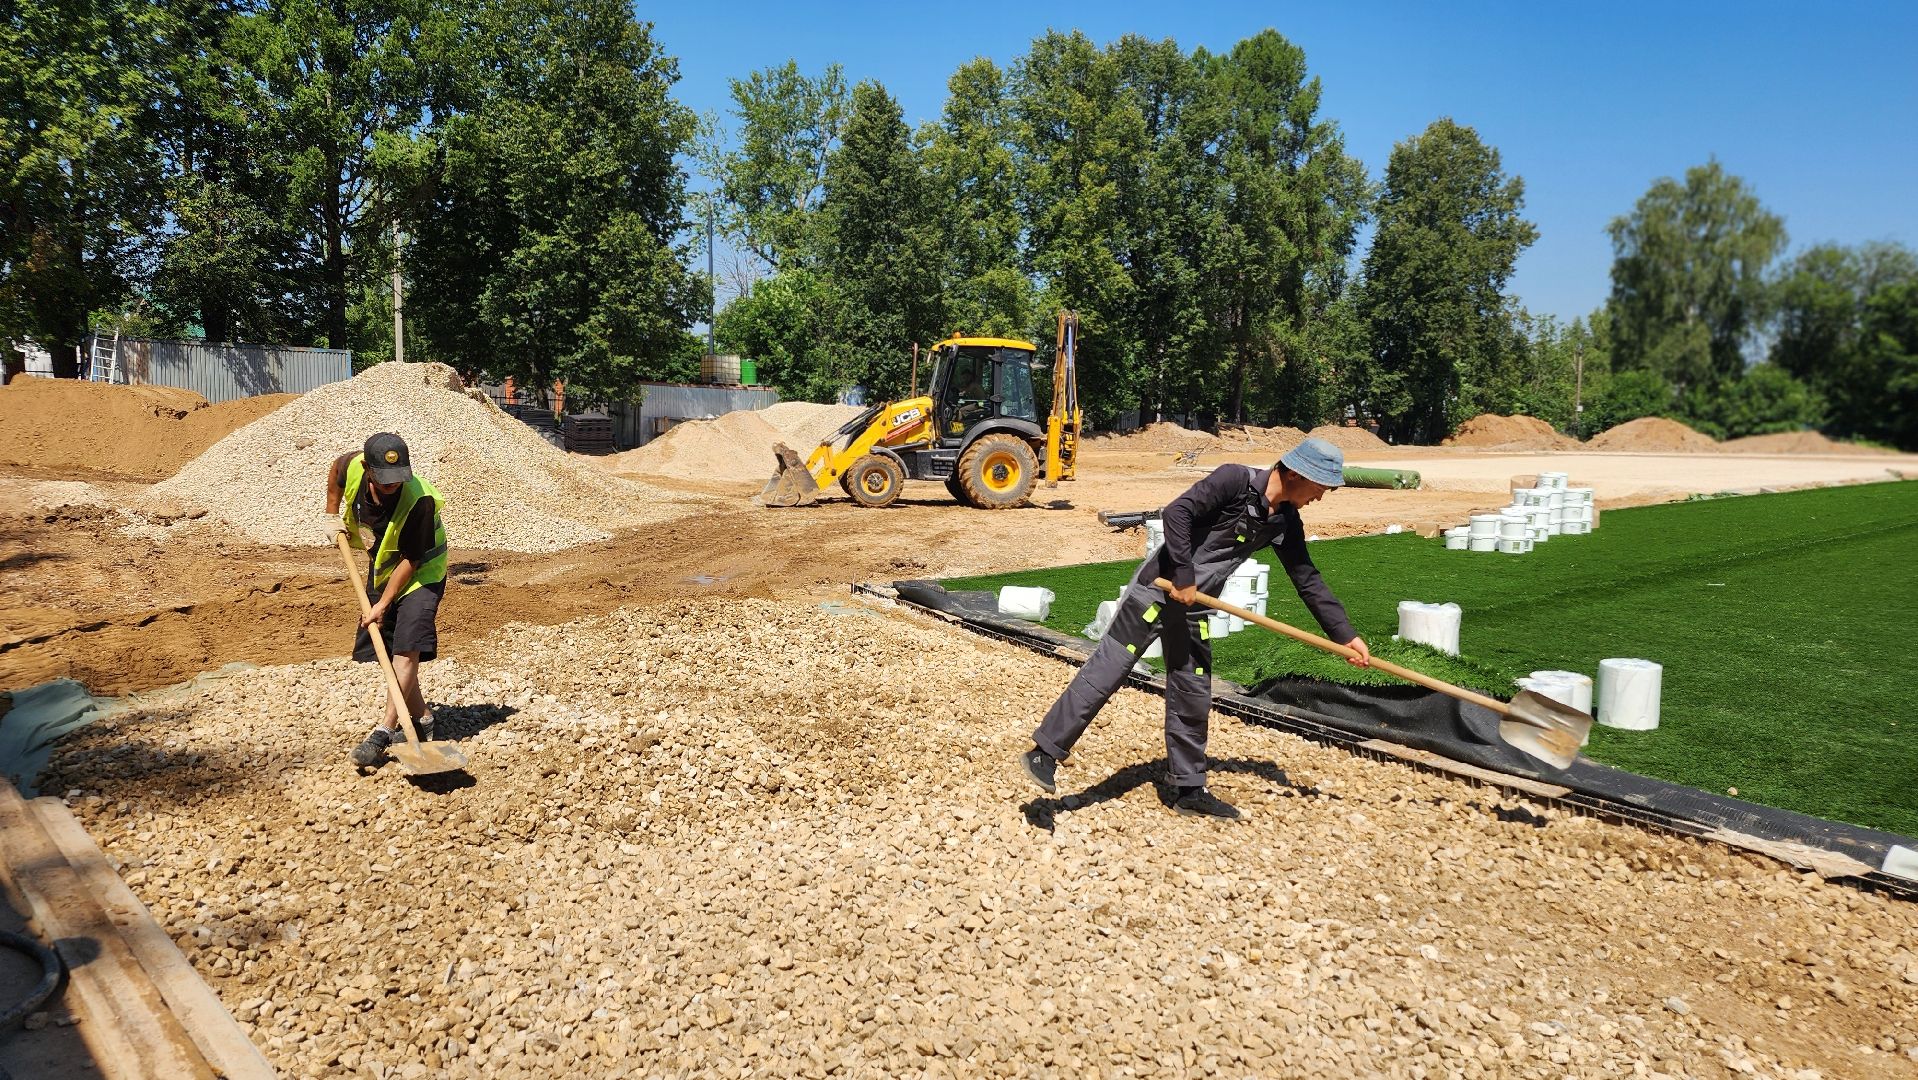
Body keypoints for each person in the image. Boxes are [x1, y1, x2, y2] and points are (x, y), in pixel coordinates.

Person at [1019, 437, 1371, 820]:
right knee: (1108, 669)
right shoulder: (1234, 481)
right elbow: (1177, 513)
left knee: (1193, 688)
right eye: (1320, 488)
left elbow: (1308, 580)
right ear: (1298, 474)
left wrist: (1345, 636)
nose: (1320, 497)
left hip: (1194, 608)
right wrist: (1184, 575)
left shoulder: (1284, 520)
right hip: (1158, 591)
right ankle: (1044, 753)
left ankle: (1189, 787)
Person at [324, 432, 449, 767]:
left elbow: (412, 558)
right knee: (388, 648)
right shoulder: (353, 466)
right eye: (385, 482)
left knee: (407, 646)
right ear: (367, 469)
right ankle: (422, 718)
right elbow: (336, 470)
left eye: (398, 481)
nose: (393, 486)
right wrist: (330, 513)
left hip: (422, 571)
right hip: (385, 567)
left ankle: (383, 731)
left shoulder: (418, 500)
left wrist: (383, 603)